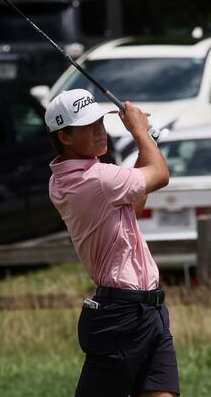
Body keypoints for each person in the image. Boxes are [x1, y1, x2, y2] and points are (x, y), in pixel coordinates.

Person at [45, 89, 177, 397]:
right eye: (88, 127)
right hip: (122, 316)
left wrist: (145, 139)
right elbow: (160, 175)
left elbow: (137, 202)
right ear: (64, 137)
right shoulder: (97, 179)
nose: (99, 131)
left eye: (100, 123)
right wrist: (140, 131)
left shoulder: (73, 178)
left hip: (149, 311)